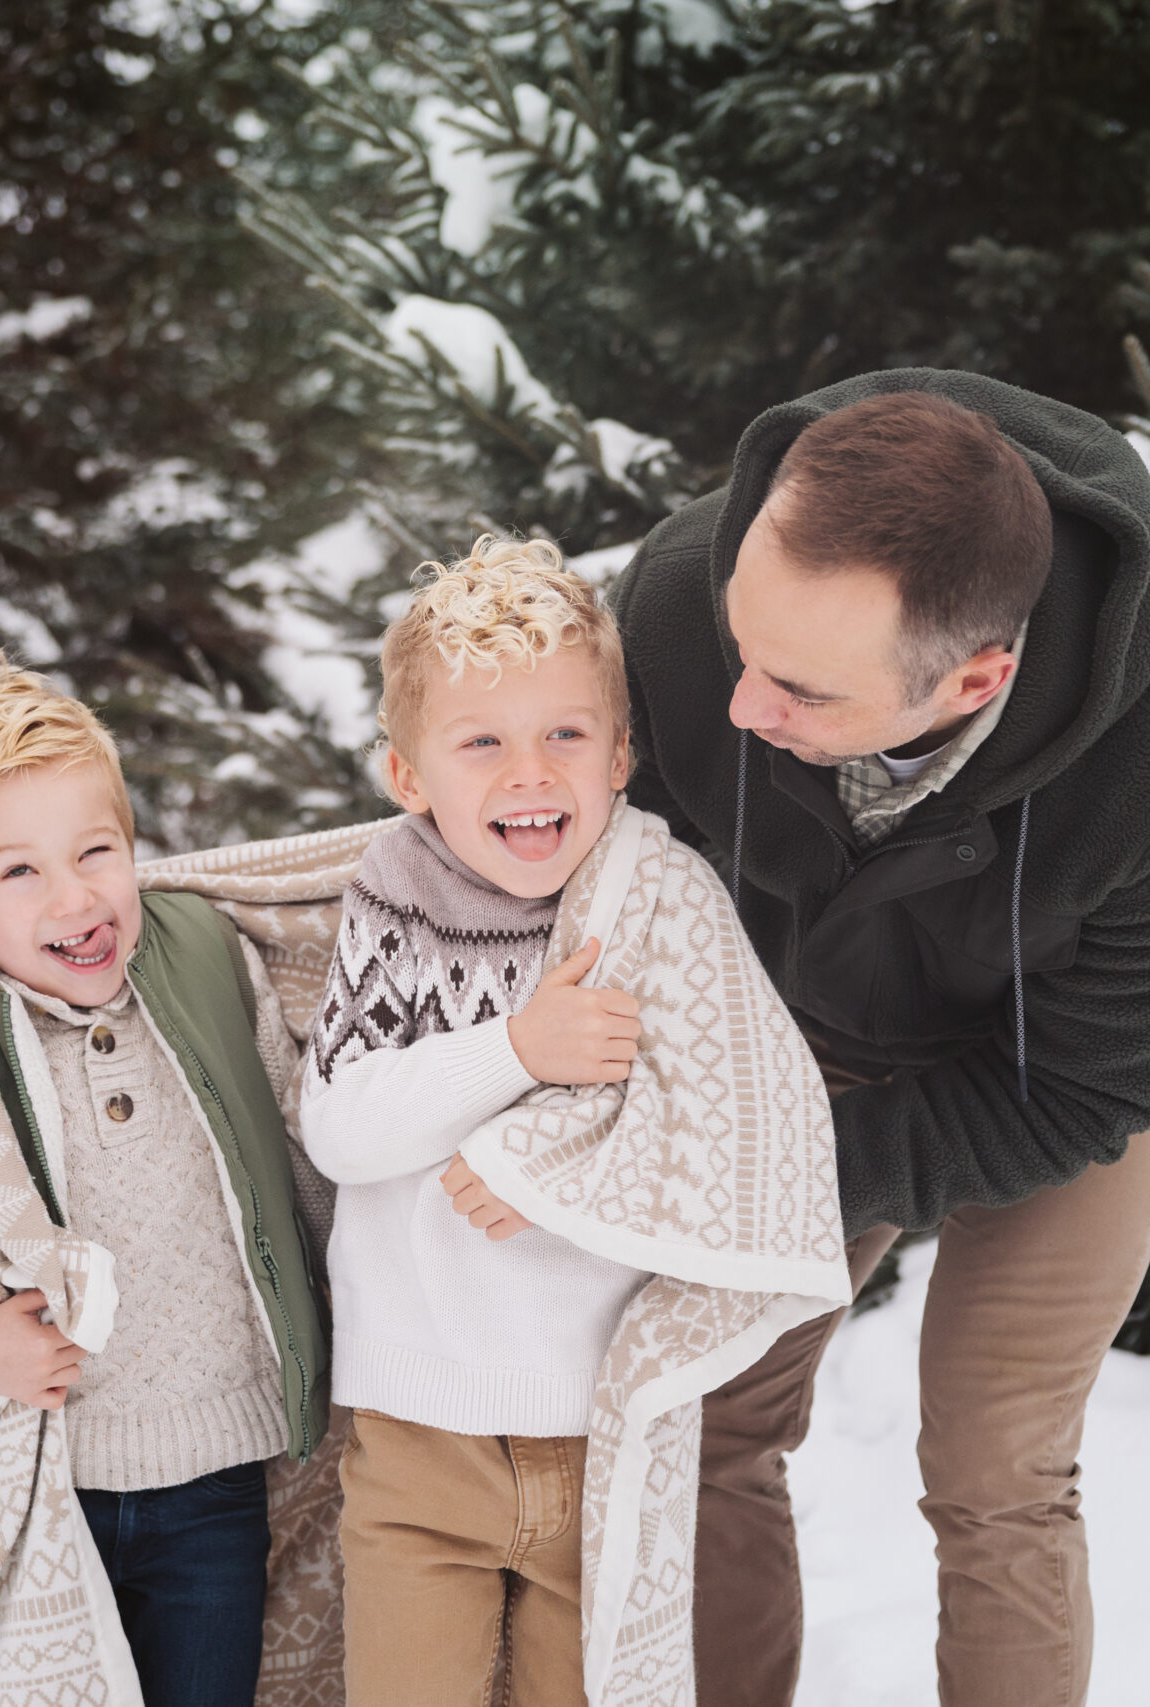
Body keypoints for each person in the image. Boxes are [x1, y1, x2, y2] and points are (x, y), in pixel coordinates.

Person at [609, 376, 1150, 1707]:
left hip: (1053, 1073)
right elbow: (623, 869)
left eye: (800, 687)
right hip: (797, 1013)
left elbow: (1079, 1090)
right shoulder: (687, 599)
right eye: (744, 646)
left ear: (977, 678)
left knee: (997, 1465)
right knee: (703, 1415)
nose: (740, 705)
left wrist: (787, 1167)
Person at [300, 539, 851, 1707]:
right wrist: (514, 1051)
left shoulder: (663, 904)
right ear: (409, 776)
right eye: (482, 743)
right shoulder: (394, 898)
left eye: (564, 734)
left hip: (607, 1428)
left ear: (621, 754)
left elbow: (742, 1124)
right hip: (418, 1437)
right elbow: (342, 1129)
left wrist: (543, 1165)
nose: (529, 775)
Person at [0, 652, 329, 1707]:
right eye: (19, 872)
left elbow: (310, 1132)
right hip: (47, 1484)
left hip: (218, 1474)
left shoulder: (205, 964)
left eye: (97, 851)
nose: (75, 896)